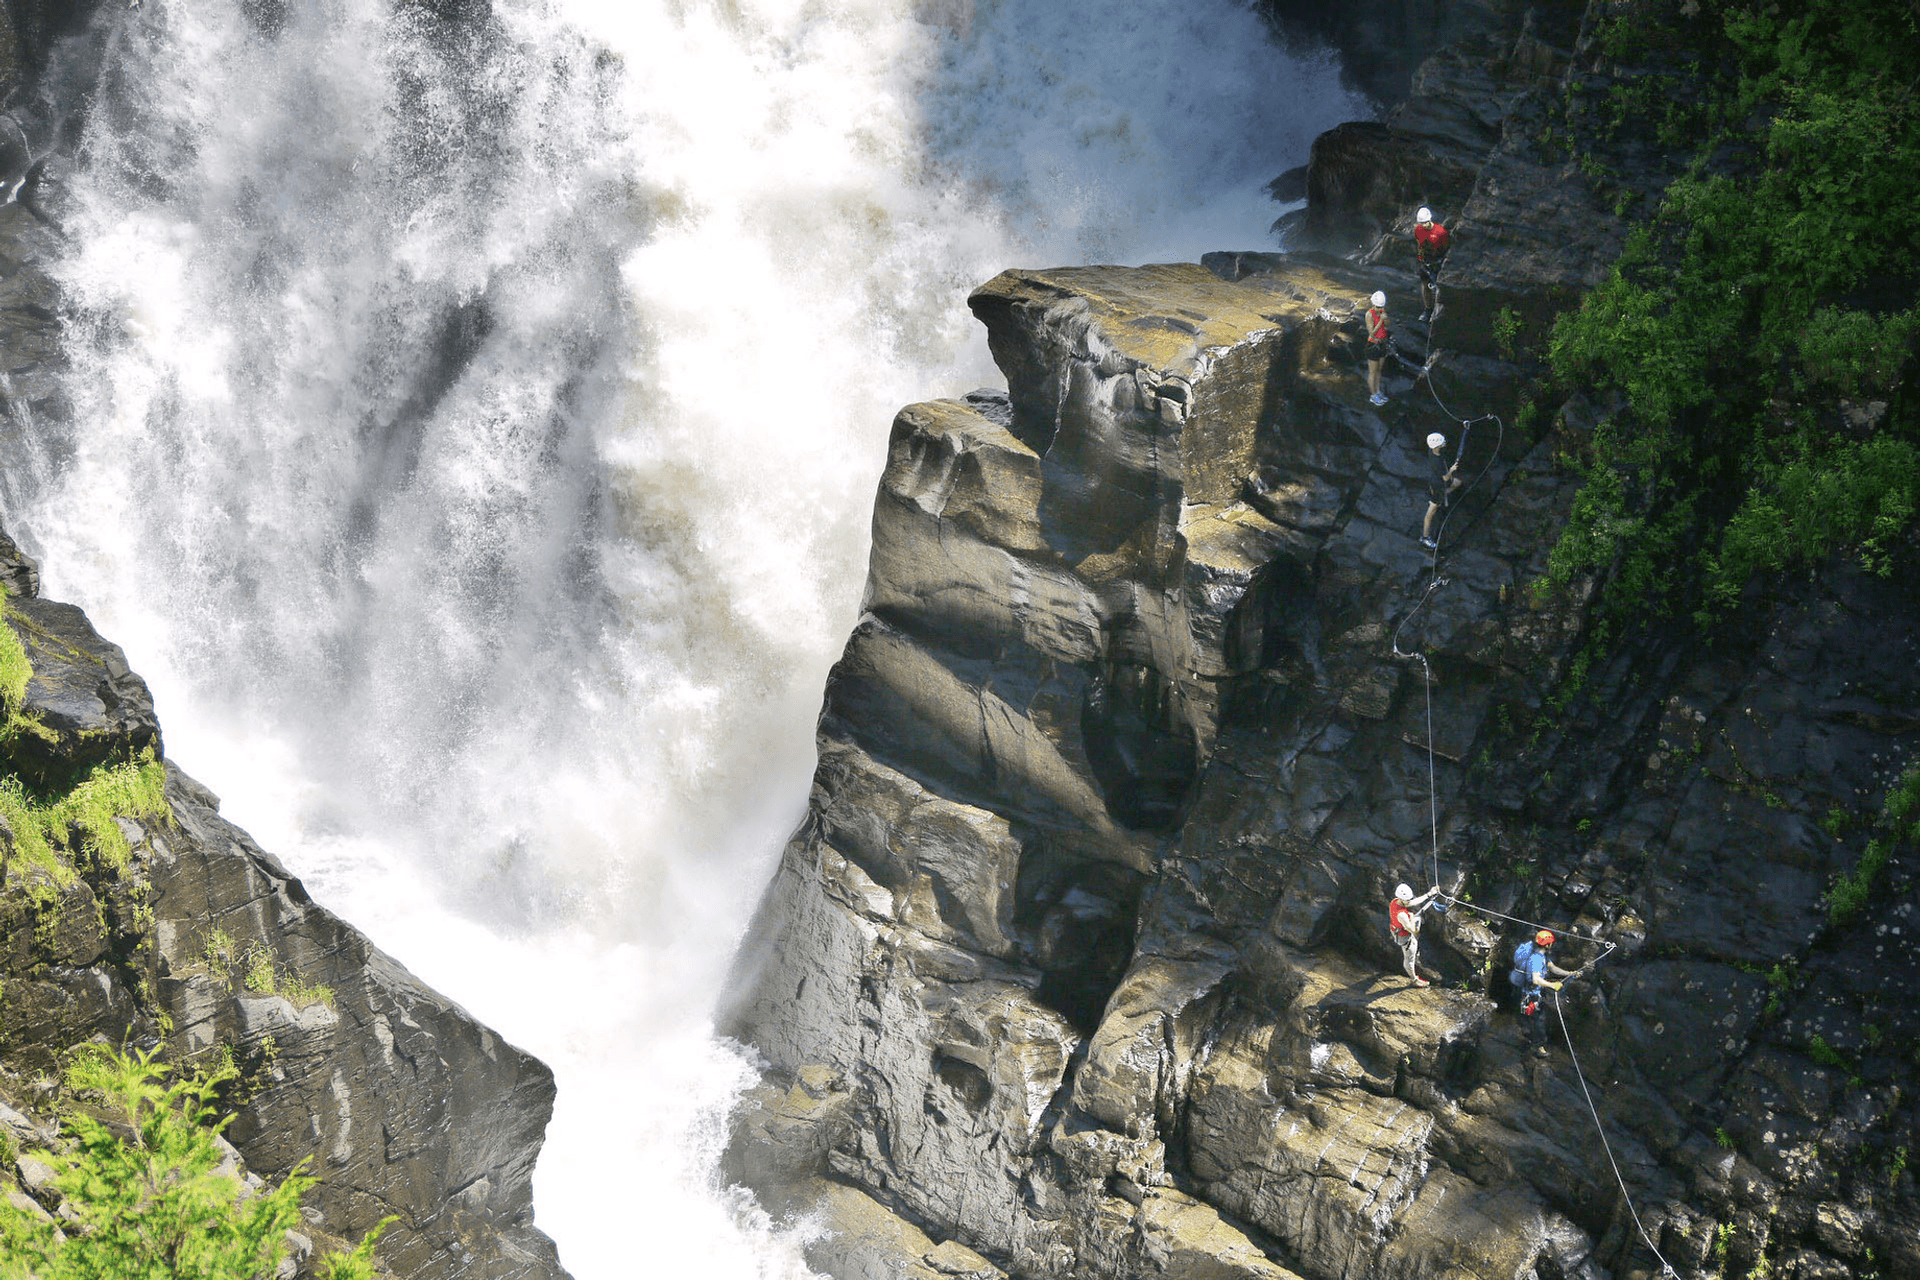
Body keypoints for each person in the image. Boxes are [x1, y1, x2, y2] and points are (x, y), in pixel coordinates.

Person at [1509, 929, 1581, 1056]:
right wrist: (1553, 985)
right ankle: (1537, 1047)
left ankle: (1528, 1035)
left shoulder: (1540, 953)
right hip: (1530, 995)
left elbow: (1552, 968)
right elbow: (1536, 979)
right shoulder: (1535, 959)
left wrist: (1569, 973)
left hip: (1526, 990)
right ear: (1547, 945)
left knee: (1529, 1017)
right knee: (1537, 1020)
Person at [1388, 882, 1442, 986]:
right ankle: (1414, 980)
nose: (1409, 901)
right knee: (1409, 959)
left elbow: (1411, 903)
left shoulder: (1395, 901)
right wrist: (1414, 918)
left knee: (1409, 951)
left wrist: (1429, 894)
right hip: (1405, 937)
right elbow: (1414, 930)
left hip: (1396, 929)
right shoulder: (1402, 915)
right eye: (1407, 899)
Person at [1420, 431, 1460, 549]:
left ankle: (1443, 496)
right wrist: (1452, 469)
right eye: (1442, 442)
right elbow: (1446, 477)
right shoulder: (1437, 462)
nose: (1444, 443)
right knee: (1431, 513)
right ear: (1437, 446)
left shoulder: (1432, 452)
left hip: (1437, 481)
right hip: (1438, 485)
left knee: (1458, 483)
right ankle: (1425, 538)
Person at [1413, 207, 1450, 321]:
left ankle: (1437, 313)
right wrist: (1420, 260)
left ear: (1429, 220)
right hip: (1425, 261)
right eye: (1421, 223)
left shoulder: (1440, 232)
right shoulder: (1418, 230)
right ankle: (1428, 310)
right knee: (1426, 285)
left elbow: (1446, 248)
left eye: (1425, 223)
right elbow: (1419, 244)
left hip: (1437, 262)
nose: (1423, 225)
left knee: (1438, 288)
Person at [1364, 291, 1391, 406]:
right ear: (1373, 305)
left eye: (1381, 307)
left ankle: (1378, 391)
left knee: (1379, 370)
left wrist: (1385, 319)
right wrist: (1380, 321)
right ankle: (1373, 395)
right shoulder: (1369, 314)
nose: (1380, 309)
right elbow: (1372, 333)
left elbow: (1388, 325)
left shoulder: (1383, 312)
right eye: (1378, 307)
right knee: (1372, 372)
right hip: (1373, 345)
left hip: (1382, 344)